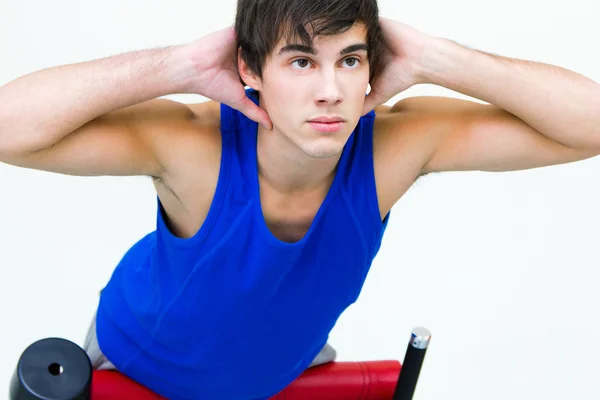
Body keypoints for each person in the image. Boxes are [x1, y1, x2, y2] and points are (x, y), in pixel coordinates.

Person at [1, 0, 599, 398]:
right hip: (136, 366)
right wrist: (178, 65)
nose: (331, 91)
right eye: (301, 61)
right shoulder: (192, 146)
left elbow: (590, 126)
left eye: (351, 60)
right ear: (250, 68)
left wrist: (439, 59)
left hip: (278, 366)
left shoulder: (393, 148)